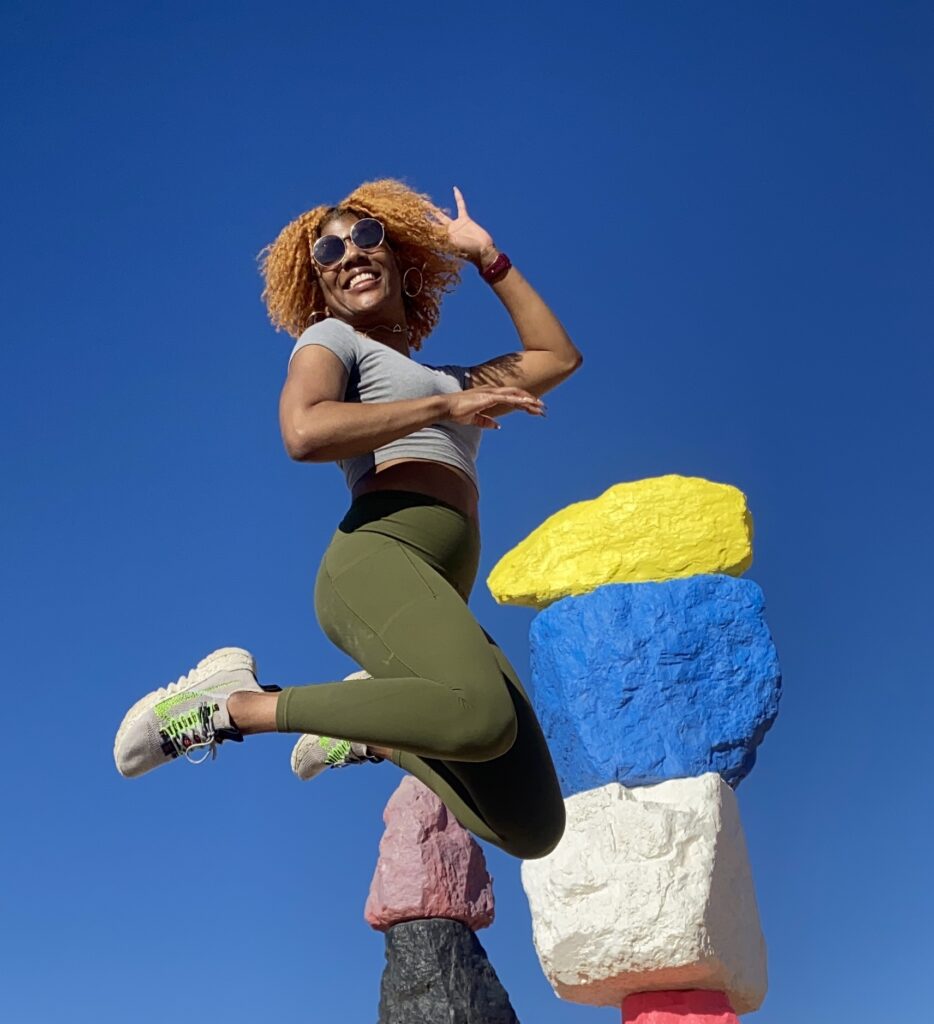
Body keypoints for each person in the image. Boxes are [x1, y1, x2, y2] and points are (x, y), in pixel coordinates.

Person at [113, 179, 581, 860]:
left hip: (432, 588)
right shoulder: (332, 340)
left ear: (400, 258)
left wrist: (487, 256)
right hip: (375, 559)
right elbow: (303, 430)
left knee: (532, 825)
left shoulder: (454, 379)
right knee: (481, 715)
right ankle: (234, 705)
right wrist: (439, 409)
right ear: (319, 286)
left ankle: (368, 732)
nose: (350, 254)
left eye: (366, 236)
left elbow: (557, 357)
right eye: (328, 251)